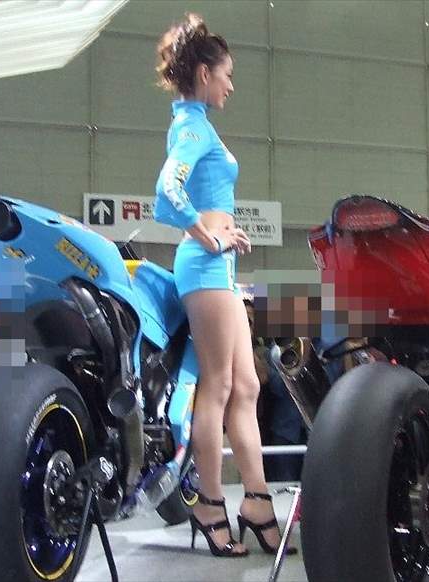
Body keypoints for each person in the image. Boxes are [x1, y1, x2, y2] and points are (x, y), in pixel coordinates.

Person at [154, 13, 295, 557]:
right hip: (206, 267)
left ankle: (256, 500)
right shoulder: (192, 128)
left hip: (221, 271)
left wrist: (219, 237)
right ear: (205, 73)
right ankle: (210, 503)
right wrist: (207, 234)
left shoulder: (196, 124)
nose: (231, 85)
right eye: (228, 75)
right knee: (215, 387)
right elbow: (167, 190)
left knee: (248, 386)